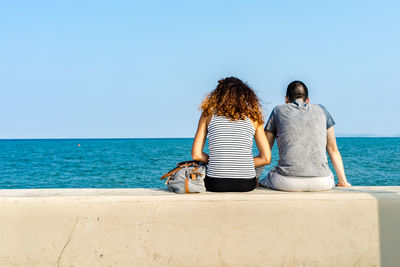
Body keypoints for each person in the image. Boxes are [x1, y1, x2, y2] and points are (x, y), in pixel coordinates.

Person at [259, 81, 351, 191]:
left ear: (286, 99)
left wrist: (255, 178)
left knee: (266, 179)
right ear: (308, 100)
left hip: (287, 182)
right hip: (323, 181)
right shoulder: (322, 110)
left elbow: (265, 150)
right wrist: (343, 181)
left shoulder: (278, 111)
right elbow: (333, 149)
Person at [192, 77, 271, 192]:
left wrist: (215, 160)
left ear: (218, 95)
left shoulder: (208, 114)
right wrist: (243, 163)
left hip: (215, 183)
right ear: (245, 96)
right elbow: (266, 158)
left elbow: (196, 155)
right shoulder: (254, 118)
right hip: (247, 183)